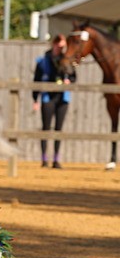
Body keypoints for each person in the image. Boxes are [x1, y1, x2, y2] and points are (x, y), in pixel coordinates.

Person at [32, 34, 76, 168]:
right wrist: (35, 99)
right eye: (59, 44)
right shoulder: (43, 60)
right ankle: (44, 159)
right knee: (46, 128)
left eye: (62, 46)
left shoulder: (67, 60)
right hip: (47, 97)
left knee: (58, 129)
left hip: (62, 97)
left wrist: (69, 81)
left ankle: (56, 159)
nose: (60, 48)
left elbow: (74, 76)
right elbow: (36, 81)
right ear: (54, 44)